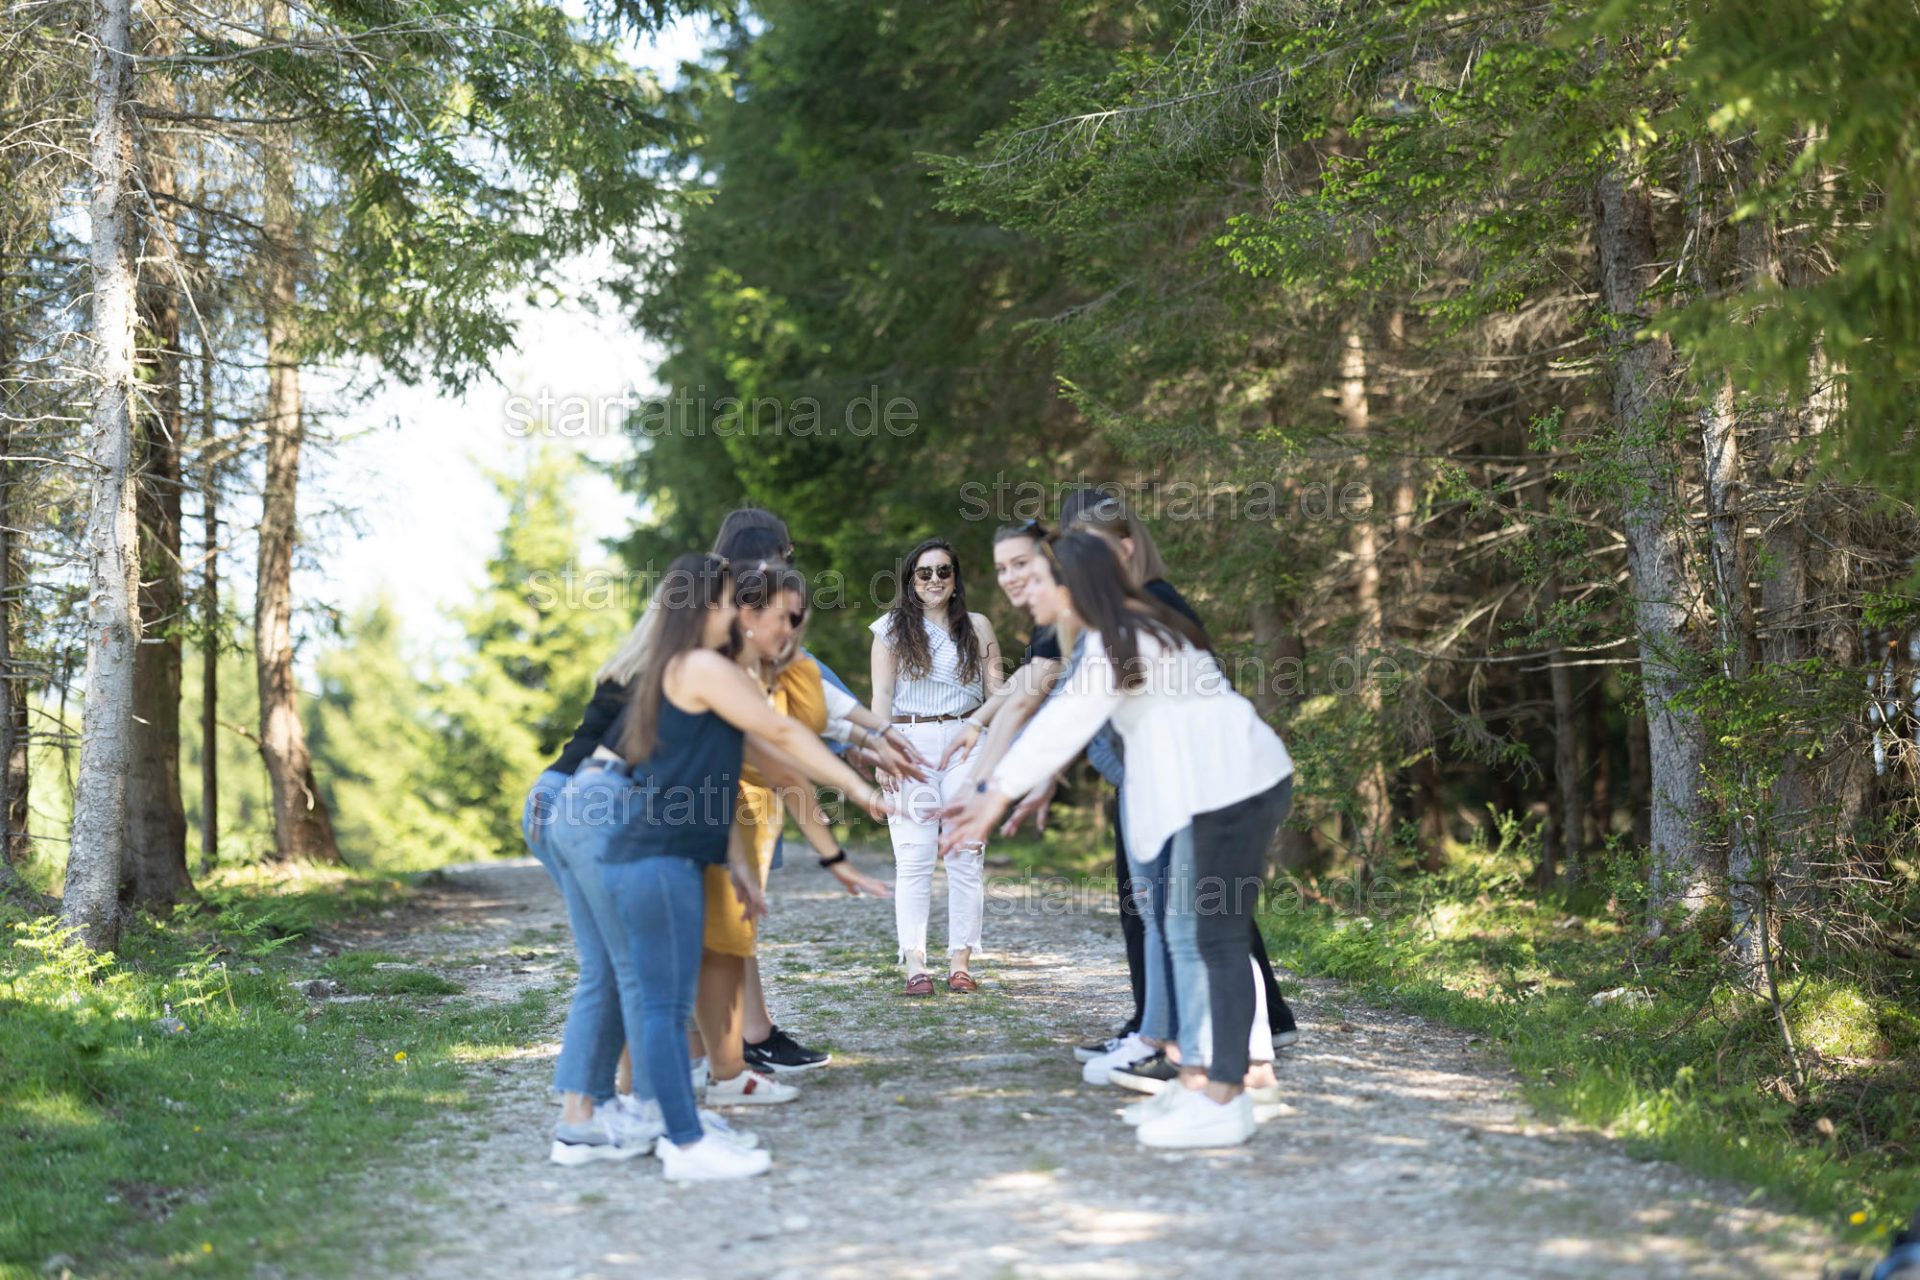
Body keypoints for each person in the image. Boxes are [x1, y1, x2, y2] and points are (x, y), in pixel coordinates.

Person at [942, 534, 1295, 1150]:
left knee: (1213, 941)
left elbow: (1064, 722)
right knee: (1184, 933)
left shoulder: (1124, 637)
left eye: (1037, 578)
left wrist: (993, 795)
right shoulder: (1119, 631)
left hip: (1236, 789)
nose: (1025, 591)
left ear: (1072, 587)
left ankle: (1229, 1097)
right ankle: (1197, 1083)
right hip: (1204, 794)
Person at [588, 552, 892, 1180]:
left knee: (660, 1002)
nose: (737, 613)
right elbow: (782, 737)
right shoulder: (700, 667)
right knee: (661, 1007)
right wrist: (859, 789)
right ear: (704, 608)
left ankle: (671, 1128)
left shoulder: (687, 671)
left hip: (666, 857)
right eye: (729, 602)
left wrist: (758, 865)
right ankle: (683, 1142)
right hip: (653, 858)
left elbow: (745, 767)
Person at [870, 536, 1005, 995]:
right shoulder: (890, 629)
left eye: (943, 571)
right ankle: (915, 964)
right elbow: (881, 695)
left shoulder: (977, 626)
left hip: (967, 740)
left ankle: (960, 961)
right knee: (914, 855)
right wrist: (881, 749)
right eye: (924, 572)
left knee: (966, 852)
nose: (934, 580)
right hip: (909, 743)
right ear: (910, 579)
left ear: (954, 578)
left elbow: (997, 692)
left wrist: (995, 749)